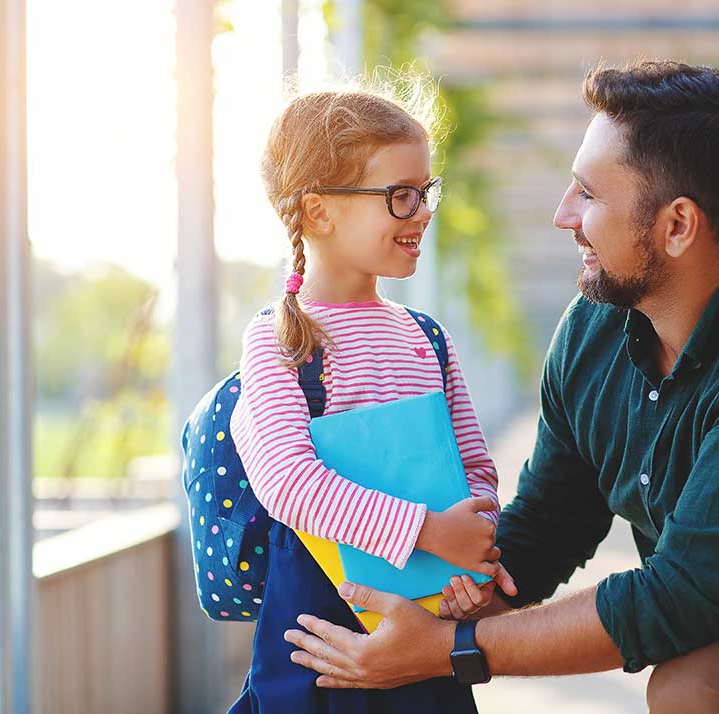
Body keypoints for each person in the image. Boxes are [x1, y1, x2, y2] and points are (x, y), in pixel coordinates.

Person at [284, 60, 719, 714]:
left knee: (695, 687)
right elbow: (545, 530)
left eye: (588, 194)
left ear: (677, 224)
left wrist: (452, 652)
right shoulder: (593, 331)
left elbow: (680, 600)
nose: (564, 214)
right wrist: (434, 607)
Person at [224, 79, 516, 713]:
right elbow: (288, 482)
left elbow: (475, 469)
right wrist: (431, 533)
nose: (422, 211)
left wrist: (474, 553)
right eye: (400, 196)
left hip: (427, 629)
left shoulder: (426, 337)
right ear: (318, 210)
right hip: (318, 639)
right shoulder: (280, 338)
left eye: (425, 192)